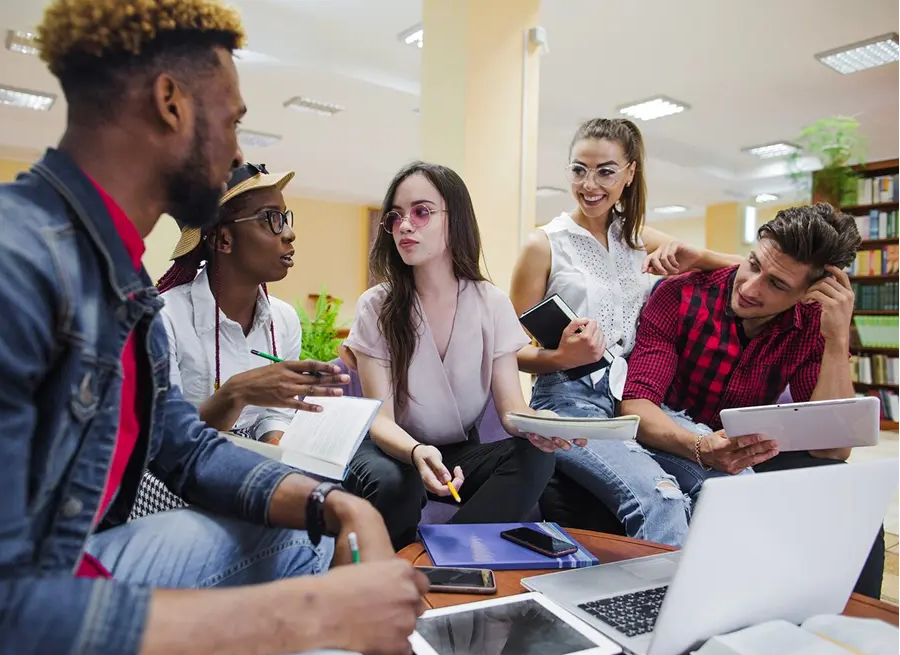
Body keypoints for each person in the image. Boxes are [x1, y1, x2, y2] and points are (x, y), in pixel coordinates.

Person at [0, 2, 427, 654]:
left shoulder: (123, 285)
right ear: (171, 103)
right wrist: (307, 614)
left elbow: (186, 448)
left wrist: (336, 506)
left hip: (78, 558)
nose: (239, 148)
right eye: (234, 120)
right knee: (312, 592)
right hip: (14, 599)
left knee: (308, 538)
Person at [617, 203, 883, 598]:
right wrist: (700, 447)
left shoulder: (813, 323)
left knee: (851, 504)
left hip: (745, 449)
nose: (750, 287)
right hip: (667, 441)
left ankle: (838, 632)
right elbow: (636, 407)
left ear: (810, 293)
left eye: (777, 284)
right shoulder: (681, 294)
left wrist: (837, 340)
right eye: (754, 264)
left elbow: (833, 447)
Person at [510, 117, 742, 545]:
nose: (589, 183)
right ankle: (655, 611)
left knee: (737, 475)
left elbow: (751, 274)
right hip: (568, 402)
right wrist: (561, 357)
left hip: (637, 398)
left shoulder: (636, 238)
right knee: (664, 500)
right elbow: (506, 351)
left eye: (605, 171)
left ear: (630, 173)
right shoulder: (543, 244)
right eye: (578, 169)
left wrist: (699, 254)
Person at [341, 161, 583, 551]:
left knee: (535, 457)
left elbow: (511, 411)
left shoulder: (491, 302)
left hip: (458, 452)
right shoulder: (377, 305)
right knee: (395, 483)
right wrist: (417, 452)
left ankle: (443, 558)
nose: (405, 225)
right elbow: (380, 422)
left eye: (421, 212)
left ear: (456, 220)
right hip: (393, 448)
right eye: (396, 217)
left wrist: (545, 424)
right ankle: (397, 571)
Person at [157, 162, 345, 443]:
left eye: (285, 217)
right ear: (223, 239)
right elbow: (164, 435)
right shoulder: (162, 319)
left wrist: (275, 455)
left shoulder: (283, 319)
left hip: (249, 462)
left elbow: (275, 414)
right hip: (175, 470)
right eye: (271, 218)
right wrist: (235, 394)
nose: (289, 233)